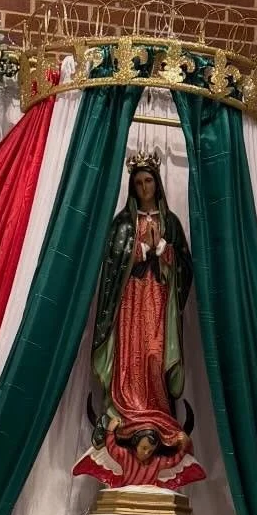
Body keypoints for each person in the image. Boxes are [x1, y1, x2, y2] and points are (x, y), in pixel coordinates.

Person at [73, 151, 204, 490]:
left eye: (149, 181)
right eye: (139, 183)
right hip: (130, 303)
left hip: (159, 301)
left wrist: (164, 252)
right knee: (132, 355)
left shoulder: (170, 223)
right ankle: (127, 409)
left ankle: (157, 408)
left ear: (157, 184)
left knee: (155, 354)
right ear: (132, 187)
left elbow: (187, 268)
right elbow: (113, 264)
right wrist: (141, 252)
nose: (145, 188)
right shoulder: (124, 223)